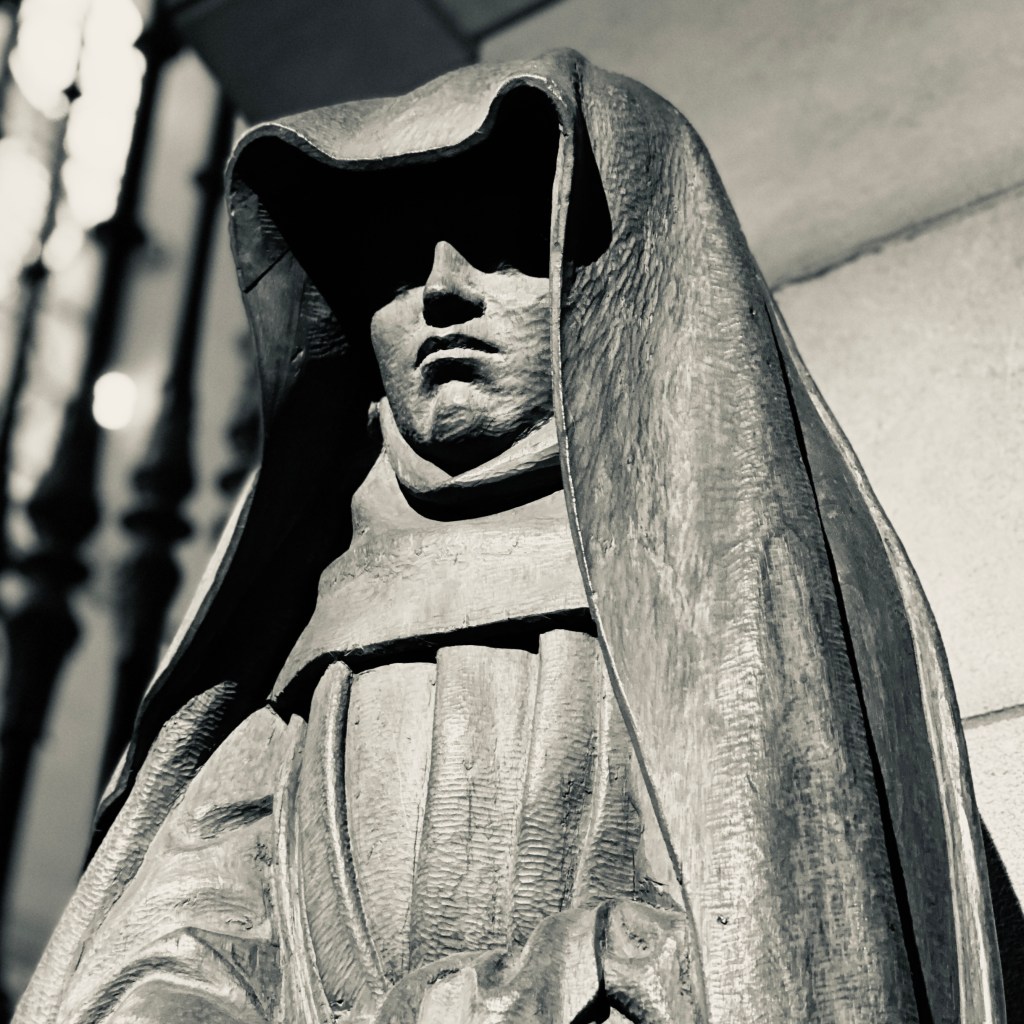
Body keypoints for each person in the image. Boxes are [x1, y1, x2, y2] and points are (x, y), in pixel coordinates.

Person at [15, 50, 1010, 1024]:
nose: (442, 290)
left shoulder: (728, 614)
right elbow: (182, 945)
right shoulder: (306, 638)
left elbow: (764, 946)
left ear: (614, 282)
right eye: (398, 265)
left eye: (500, 240)